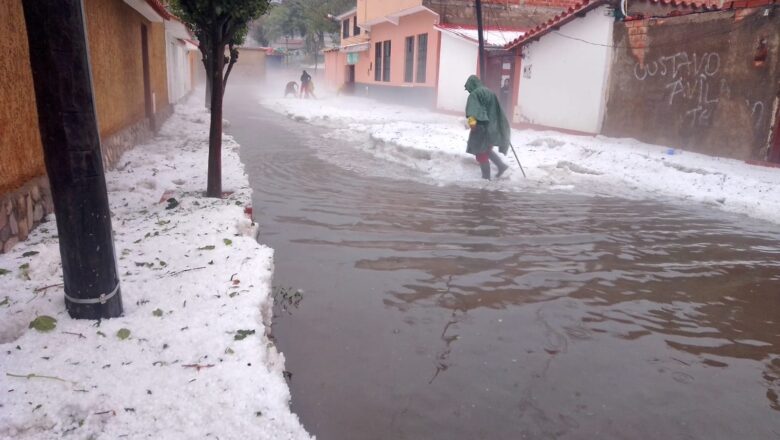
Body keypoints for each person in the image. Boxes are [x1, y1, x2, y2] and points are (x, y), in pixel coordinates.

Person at [464, 75, 510, 180]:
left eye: (469, 88)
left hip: (481, 127)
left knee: (481, 153)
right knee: (487, 149)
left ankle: (486, 178)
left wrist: (472, 125)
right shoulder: (490, 92)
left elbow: (472, 111)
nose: (469, 91)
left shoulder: (474, 94)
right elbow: (498, 109)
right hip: (492, 126)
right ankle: (501, 166)